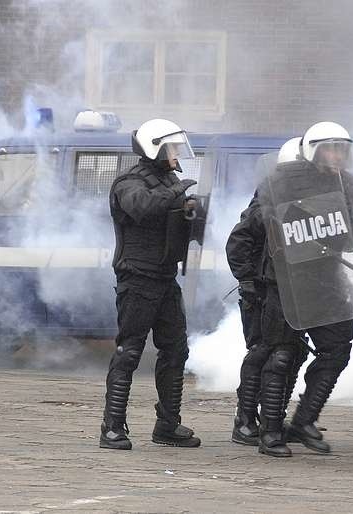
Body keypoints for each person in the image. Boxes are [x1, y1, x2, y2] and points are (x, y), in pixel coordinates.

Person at [229, 122, 353, 457]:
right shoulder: (281, 182)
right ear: (313, 150)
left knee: (337, 348)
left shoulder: (346, 183)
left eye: (342, 149)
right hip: (285, 281)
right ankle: (270, 432)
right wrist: (248, 279)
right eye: (330, 149)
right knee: (281, 354)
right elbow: (247, 233)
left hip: (327, 278)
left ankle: (304, 420)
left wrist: (338, 228)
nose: (337, 156)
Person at [99, 118, 201, 450]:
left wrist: (192, 214)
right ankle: (112, 426)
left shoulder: (168, 180)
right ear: (154, 148)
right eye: (171, 148)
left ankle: (168, 425)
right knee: (128, 352)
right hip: (138, 279)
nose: (176, 155)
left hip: (165, 277)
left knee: (176, 350)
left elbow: (175, 221)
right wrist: (176, 192)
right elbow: (143, 208)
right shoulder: (129, 183)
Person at [226, 137, 306, 446]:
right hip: (262, 291)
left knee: (293, 352)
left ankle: (273, 415)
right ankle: (244, 419)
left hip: (293, 290)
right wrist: (249, 281)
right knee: (262, 351)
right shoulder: (272, 196)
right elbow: (238, 241)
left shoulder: (305, 194)